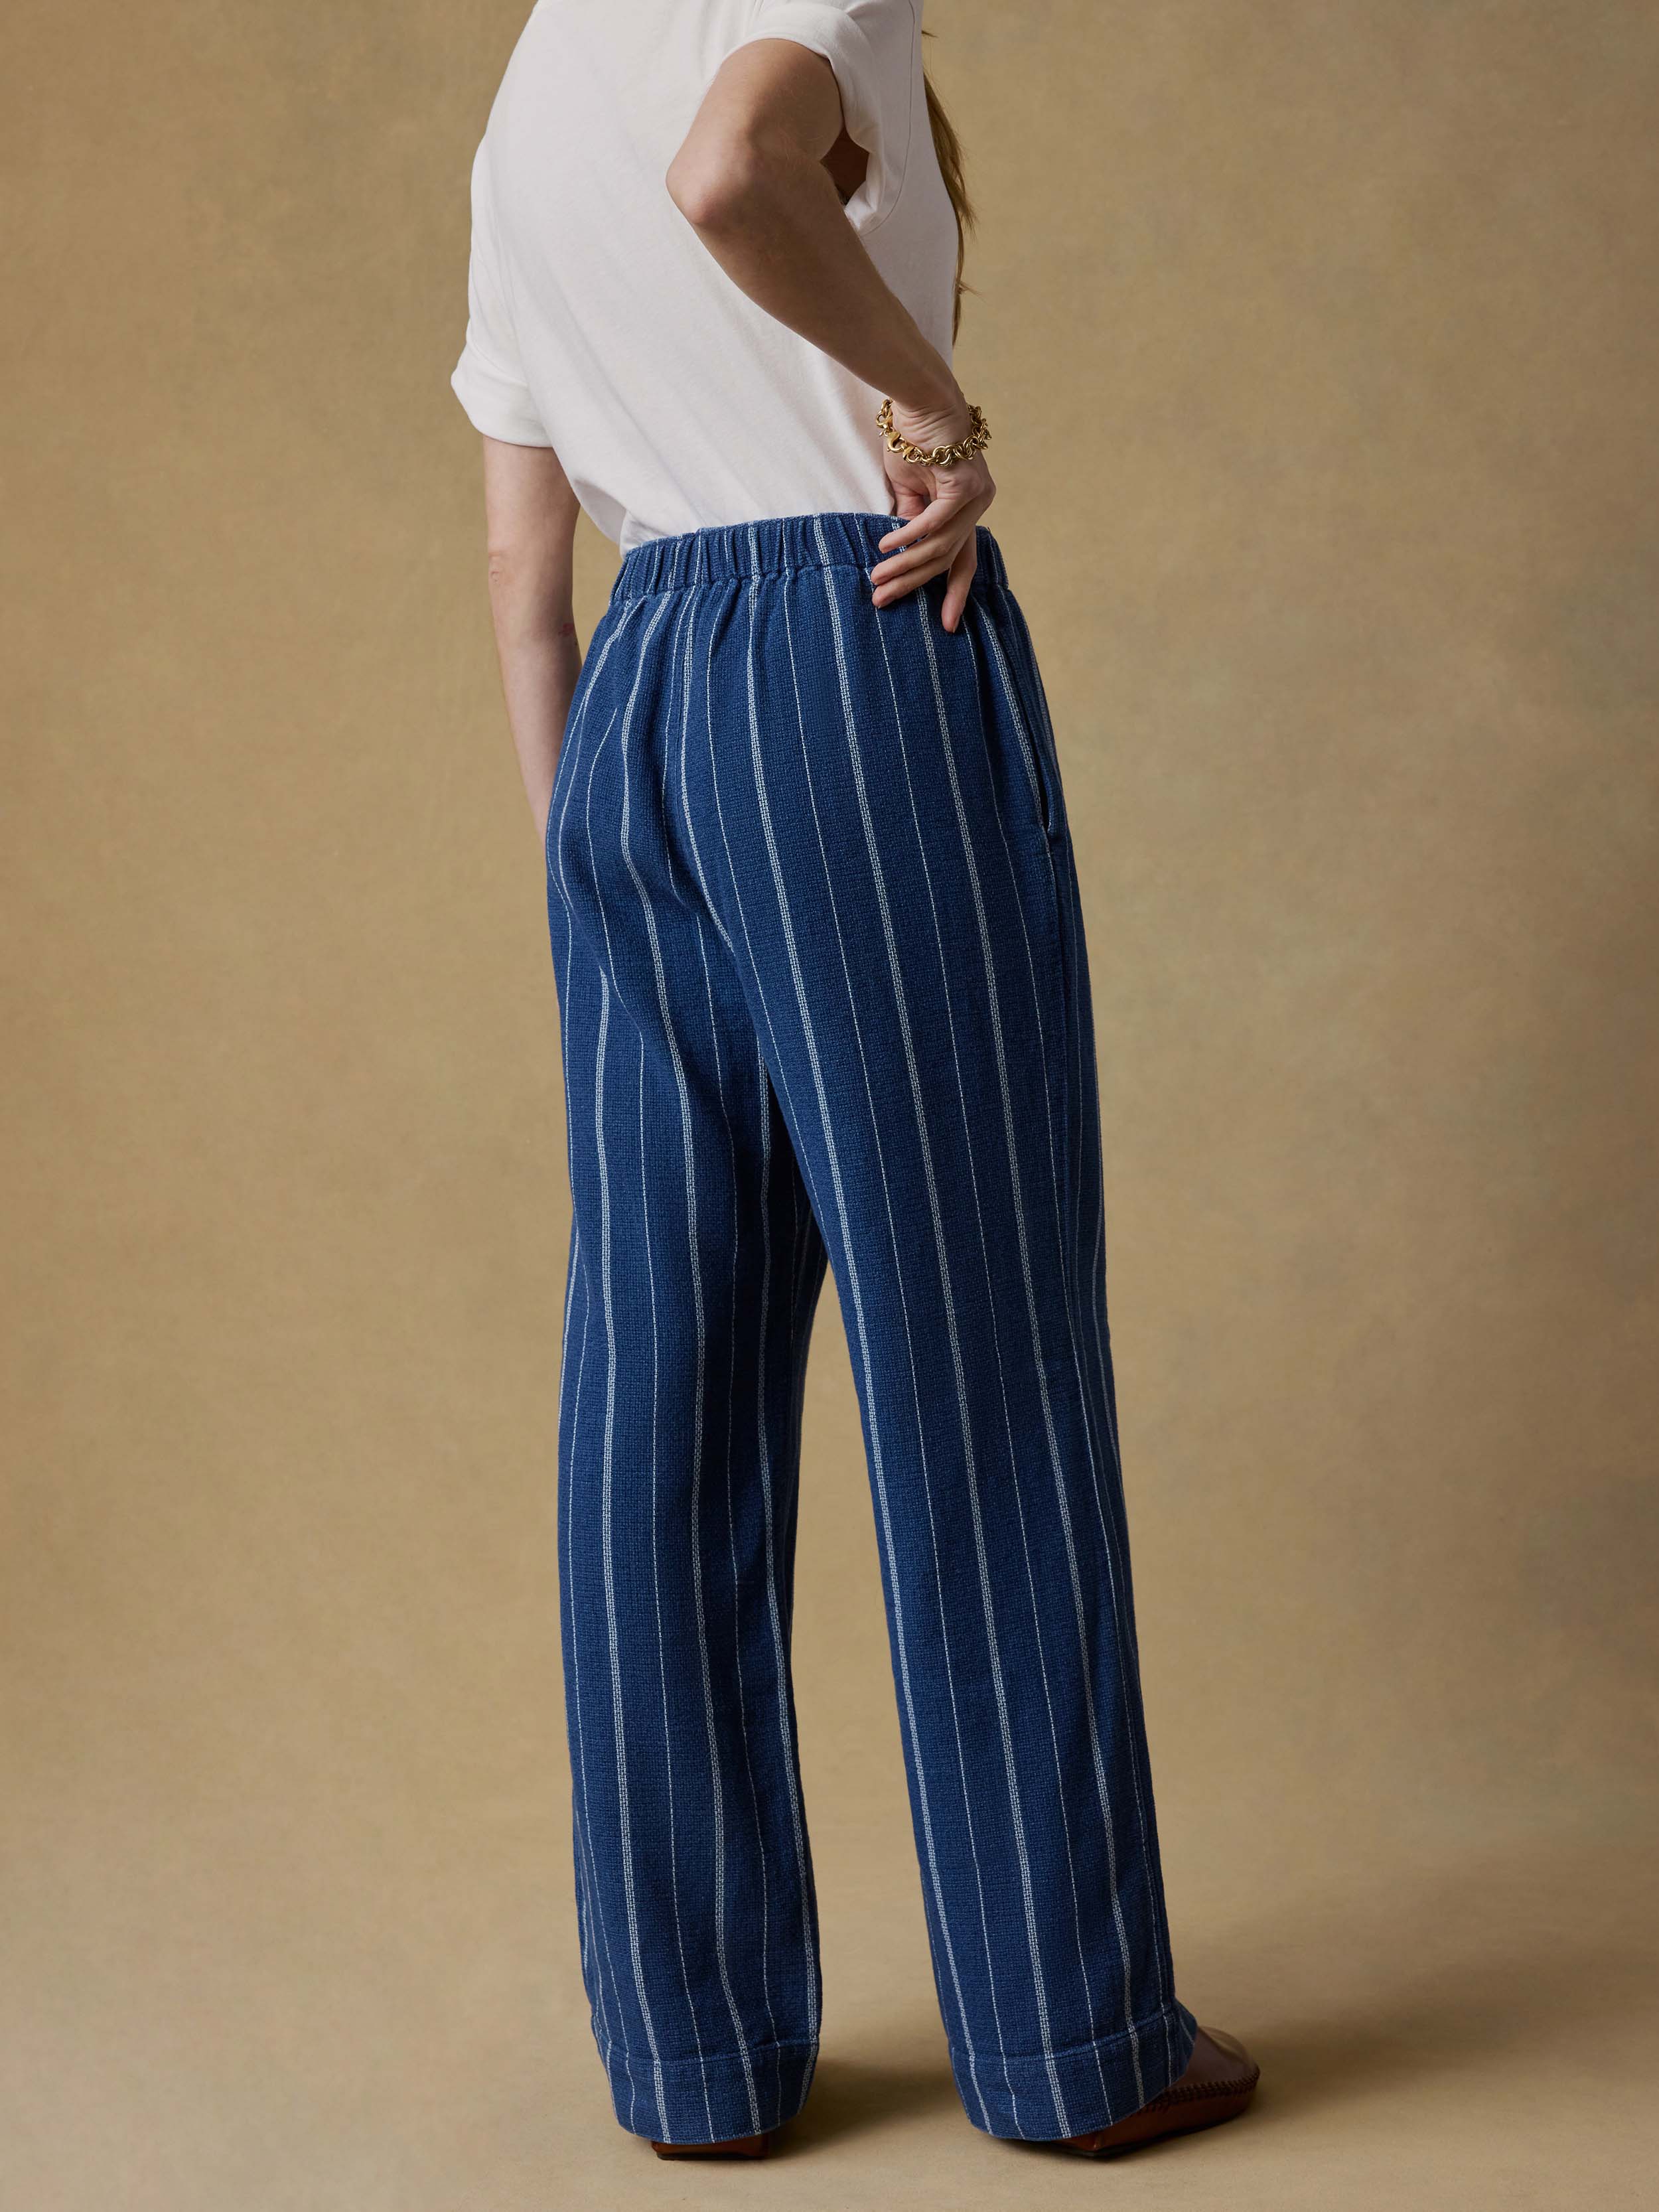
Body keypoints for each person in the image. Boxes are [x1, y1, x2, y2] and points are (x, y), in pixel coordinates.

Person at [451, 0, 1258, 2162]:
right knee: (977, 1345)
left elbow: (524, 575)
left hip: (631, 716)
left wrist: (594, 873)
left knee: (662, 1392)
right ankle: (1070, 2036)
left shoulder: (532, 81)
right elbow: (735, 172)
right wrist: (934, 405)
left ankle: (696, 2059)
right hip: (847, 647)